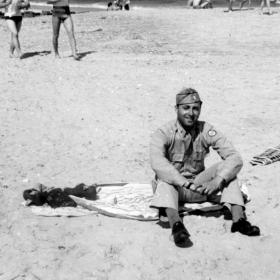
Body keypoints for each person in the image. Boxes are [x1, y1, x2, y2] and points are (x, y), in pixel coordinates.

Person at [150, 88, 260, 248]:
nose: (191, 113)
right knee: (163, 179)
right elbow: (157, 162)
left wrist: (217, 181)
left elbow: (234, 157)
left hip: (199, 187)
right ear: (176, 109)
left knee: (227, 170)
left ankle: (239, 221)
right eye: (186, 108)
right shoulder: (164, 132)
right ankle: (176, 226)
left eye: (195, 108)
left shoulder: (206, 130)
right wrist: (183, 182)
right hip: (175, 188)